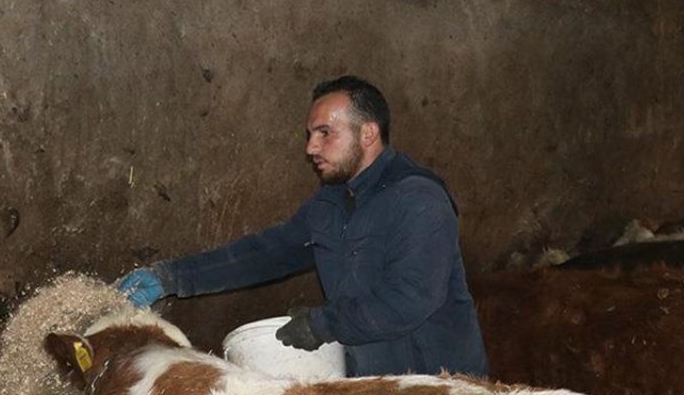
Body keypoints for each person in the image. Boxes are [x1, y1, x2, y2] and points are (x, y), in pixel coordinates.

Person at [117, 75, 487, 377]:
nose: (311, 147)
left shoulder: (418, 199)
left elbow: (409, 299)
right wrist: (172, 278)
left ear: (368, 134)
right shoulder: (331, 204)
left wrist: (322, 324)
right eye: (310, 134)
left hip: (441, 394)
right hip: (375, 389)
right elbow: (263, 254)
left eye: (325, 133)